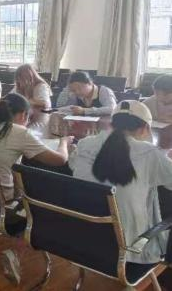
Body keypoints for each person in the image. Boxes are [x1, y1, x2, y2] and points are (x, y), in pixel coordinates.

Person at [70, 100, 172, 266]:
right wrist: (165, 157)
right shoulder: (149, 153)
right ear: (145, 128)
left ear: (111, 123)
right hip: (129, 250)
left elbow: (73, 164)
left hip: (84, 240)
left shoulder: (84, 144)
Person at [0, 92, 70, 202]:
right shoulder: (20, 132)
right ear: (23, 115)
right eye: (29, 118)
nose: (28, 122)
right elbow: (60, 160)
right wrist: (64, 142)